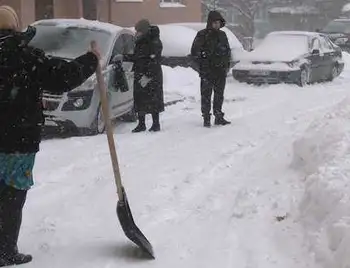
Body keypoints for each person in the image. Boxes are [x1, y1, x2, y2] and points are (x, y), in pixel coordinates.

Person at [0, 6, 99, 266]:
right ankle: (5, 250)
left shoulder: (26, 57)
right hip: (18, 141)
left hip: (13, 137)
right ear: (15, 28)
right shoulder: (27, 57)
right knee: (12, 195)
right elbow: (62, 78)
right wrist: (90, 60)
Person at [120, 19, 164, 133]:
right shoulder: (140, 41)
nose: (136, 33)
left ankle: (156, 124)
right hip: (140, 73)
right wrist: (124, 57)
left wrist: (148, 75)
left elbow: (155, 59)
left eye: (138, 31)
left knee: (153, 99)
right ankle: (141, 124)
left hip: (152, 76)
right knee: (140, 99)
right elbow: (137, 57)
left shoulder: (154, 41)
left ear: (144, 31)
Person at [191, 11, 231, 127]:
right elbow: (195, 52)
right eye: (214, 23)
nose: (216, 25)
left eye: (218, 22)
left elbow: (227, 51)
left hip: (220, 71)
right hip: (207, 71)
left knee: (219, 95)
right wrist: (203, 65)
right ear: (210, 23)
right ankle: (206, 117)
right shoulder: (202, 35)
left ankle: (218, 116)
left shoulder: (222, 35)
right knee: (206, 95)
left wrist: (226, 65)